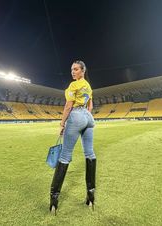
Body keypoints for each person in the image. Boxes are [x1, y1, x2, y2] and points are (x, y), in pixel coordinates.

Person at [49, 60, 96, 214]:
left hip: (76, 116)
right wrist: (86, 114)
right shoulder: (88, 86)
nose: (73, 72)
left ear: (83, 71)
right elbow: (91, 106)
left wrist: (62, 123)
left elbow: (68, 106)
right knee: (90, 153)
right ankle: (90, 196)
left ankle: (54, 200)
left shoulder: (73, 85)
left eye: (76, 69)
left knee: (65, 155)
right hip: (88, 118)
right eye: (72, 70)